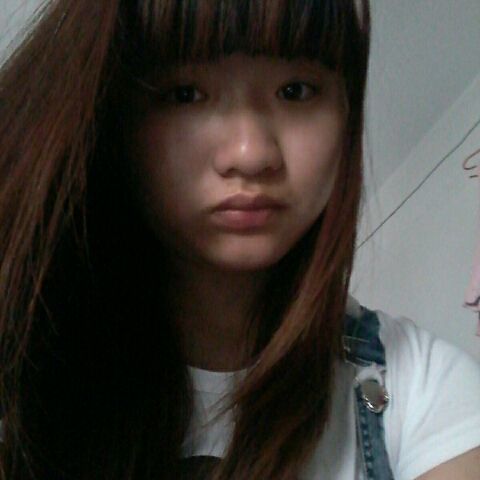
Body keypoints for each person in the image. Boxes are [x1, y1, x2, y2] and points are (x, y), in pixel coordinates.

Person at [0, 0, 479, 479]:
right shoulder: (21, 363)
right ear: (111, 111)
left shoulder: (426, 391)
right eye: (185, 94)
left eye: (295, 91)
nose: (250, 155)